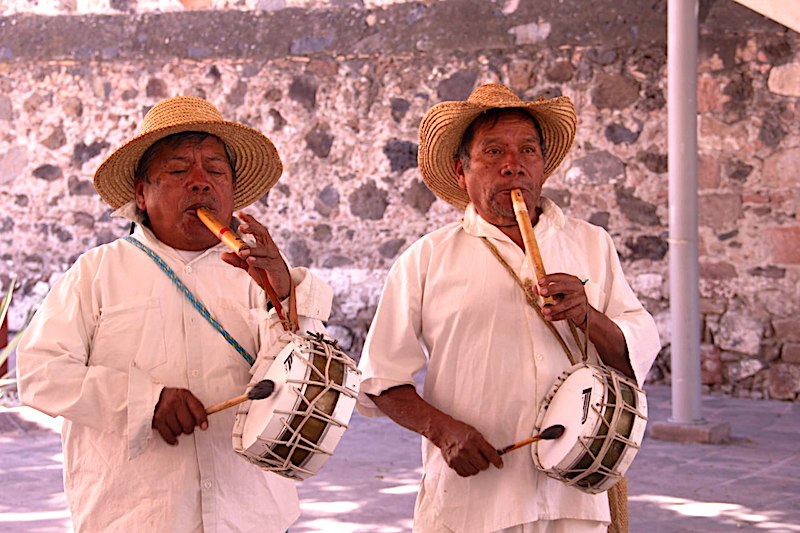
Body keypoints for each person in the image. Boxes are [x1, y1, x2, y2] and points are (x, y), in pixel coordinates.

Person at [17, 96, 333, 532]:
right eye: (179, 170)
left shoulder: (262, 274)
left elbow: (308, 382)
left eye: (215, 171)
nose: (201, 183)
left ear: (231, 193)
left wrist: (284, 294)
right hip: (135, 518)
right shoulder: (96, 273)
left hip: (249, 516)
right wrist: (144, 402)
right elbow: (39, 373)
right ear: (141, 195)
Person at [356, 83, 661, 532]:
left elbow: (633, 354)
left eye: (527, 151)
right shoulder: (426, 258)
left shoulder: (591, 244)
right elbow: (380, 379)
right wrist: (443, 431)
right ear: (462, 171)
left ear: (543, 166)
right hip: (472, 503)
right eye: (493, 152)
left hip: (573, 496)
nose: (512, 165)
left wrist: (587, 316)